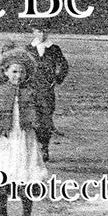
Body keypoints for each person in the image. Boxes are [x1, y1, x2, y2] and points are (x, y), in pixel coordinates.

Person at [0, 49, 49, 216]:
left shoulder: (31, 93)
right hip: (5, 139)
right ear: (5, 72)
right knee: (0, 173)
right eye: (14, 72)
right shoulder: (1, 92)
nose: (18, 76)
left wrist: (43, 138)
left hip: (25, 140)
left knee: (25, 176)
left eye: (21, 72)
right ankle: (2, 215)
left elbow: (43, 116)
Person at [25, 20, 69, 162]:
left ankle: (44, 147)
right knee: (32, 119)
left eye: (44, 31)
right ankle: (34, 148)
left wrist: (56, 79)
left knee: (46, 119)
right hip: (31, 90)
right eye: (38, 31)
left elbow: (63, 65)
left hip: (47, 91)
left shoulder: (54, 49)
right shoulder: (28, 49)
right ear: (33, 32)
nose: (42, 34)